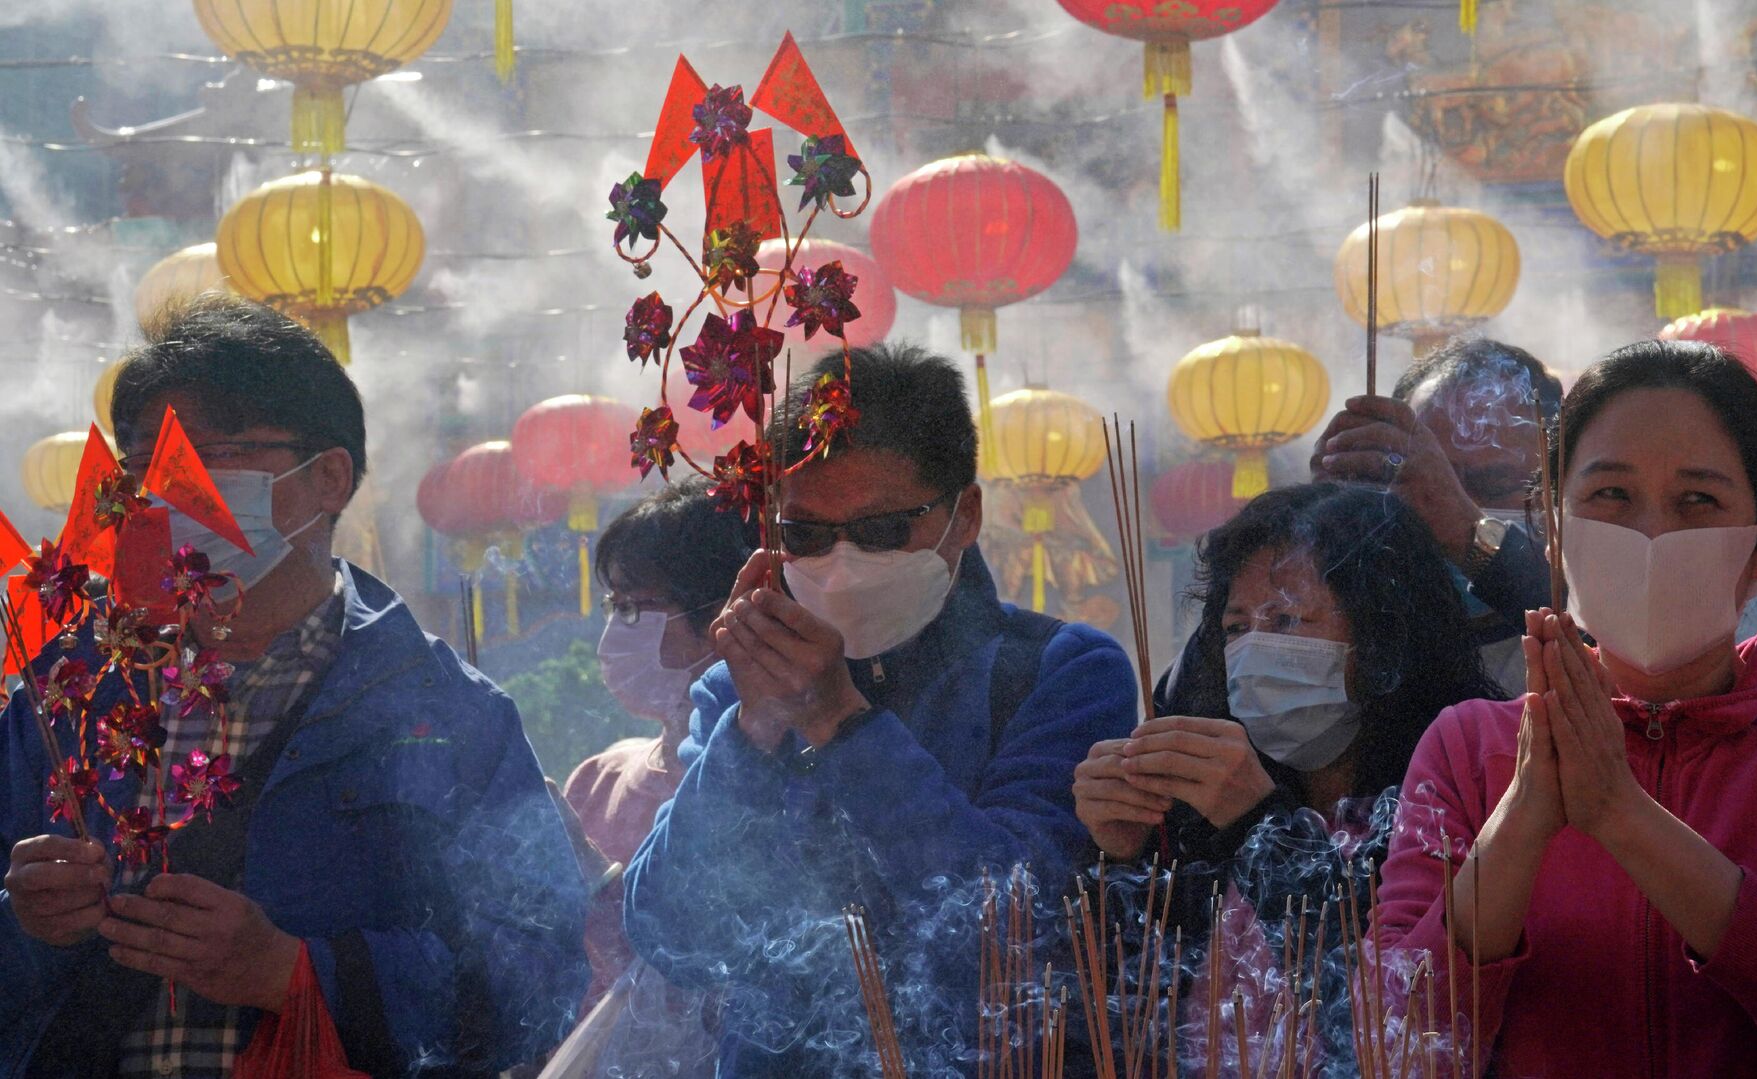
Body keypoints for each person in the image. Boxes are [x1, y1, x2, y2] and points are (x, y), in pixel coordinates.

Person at [1, 295, 587, 1076]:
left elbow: (536, 983)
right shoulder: (66, 697)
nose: (175, 492)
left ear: (330, 478)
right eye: (148, 465)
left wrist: (295, 971)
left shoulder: (448, 713)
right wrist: (25, 925)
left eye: (217, 455)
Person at [1372, 339, 1757, 1076]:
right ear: (1557, 534)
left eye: (1698, 500)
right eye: (1612, 496)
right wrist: (1522, 821)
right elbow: (1396, 1035)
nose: (1652, 532)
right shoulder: (1468, 748)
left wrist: (1621, 814)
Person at [622, 342, 1137, 1076]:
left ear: (964, 516)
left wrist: (842, 721)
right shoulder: (741, 694)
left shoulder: (1057, 673)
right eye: (805, 533)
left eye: (882, 530)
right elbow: (672, 933)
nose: (841, 561)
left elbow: (1008, 934)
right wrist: (755, 730)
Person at [1071, 483, 1499, 1072]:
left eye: (1286, 619)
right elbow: (1128, 1010)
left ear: (1383, 636)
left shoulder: (1459, 797)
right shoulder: (1200, 814)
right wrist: (1122, 858)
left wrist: (1256, 825)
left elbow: (1387, 1010)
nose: (1253, 650)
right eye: (1235, 627)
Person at [559, 477, 754, 1067]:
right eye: (612, 606)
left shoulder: (760, 785)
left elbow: (713, 988)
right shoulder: (596, 777)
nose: (616, 631)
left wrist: (605, 895)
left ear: (723, 612)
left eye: (635, 607)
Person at [1309, 337, 1560, 696]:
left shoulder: (1606, 606)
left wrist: (1467, 532)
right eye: (1423, 477)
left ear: (1560, 487)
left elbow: (1577, 622)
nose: (1444, 501)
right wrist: (1314, 537)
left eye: (1493, 483)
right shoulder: (1369, 617)